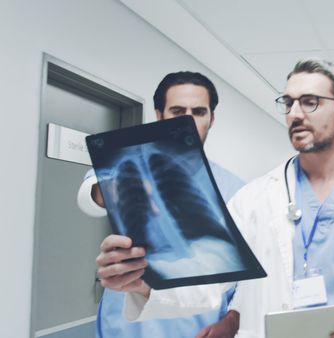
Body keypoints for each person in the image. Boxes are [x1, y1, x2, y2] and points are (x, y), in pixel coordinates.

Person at [96, 58, 334, 338]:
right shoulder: (253, 200)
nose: (295, 113)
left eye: (310, 102)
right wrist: (144, 285)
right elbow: (208, 286)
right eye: (289, 102)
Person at [78, 71, 245, 338]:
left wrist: (231, 320)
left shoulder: (236, 189)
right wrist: (125, 182)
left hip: (198, 325)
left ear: (211, 119)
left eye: (199, 111)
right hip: (127, 323)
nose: (188, 120)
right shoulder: (125, 165)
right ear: (159, 115)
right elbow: (91, 196)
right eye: (177, 110)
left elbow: (239, 276)